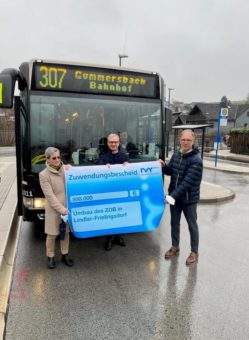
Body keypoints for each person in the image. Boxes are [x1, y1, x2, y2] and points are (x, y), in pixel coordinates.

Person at [161, 129, 203, 265]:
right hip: (175, 197)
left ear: (193, 141)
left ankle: (194, 252)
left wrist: (170, 197)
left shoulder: (196, 160)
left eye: (188, 140)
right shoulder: (176, 155)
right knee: (174, 223)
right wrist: (163, 166)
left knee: (192, 225)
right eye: (183, 139)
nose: (185, 142)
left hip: (188, 199)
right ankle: (175, 246)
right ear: (180, 140)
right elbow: (170, 171)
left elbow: (186, 183)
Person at [39, 147, 74, 269]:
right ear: (47, 159)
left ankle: (65, 255)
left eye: (59, 157)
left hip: (67, 208)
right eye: (54, 158)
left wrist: (71, 169)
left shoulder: (66, 170)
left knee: (66, 234)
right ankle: (50, 256)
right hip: (54, 210)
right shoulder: (43, 175)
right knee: (52, 234)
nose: (57, 160)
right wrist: (61, 209)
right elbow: (49, 196)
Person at [99, 133, 129, 251]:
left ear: (119, 143)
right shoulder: (103, 157)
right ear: (108, 143)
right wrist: (103, 167)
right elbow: (97, 170)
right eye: (111, 142)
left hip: (121, 191)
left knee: (120, 214)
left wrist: (128, 166)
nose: (113, 144)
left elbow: (130, 172)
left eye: (115, 142)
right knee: (110, 216)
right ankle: (109, 239)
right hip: (108, 191)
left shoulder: (124, 156)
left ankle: (118, 237)